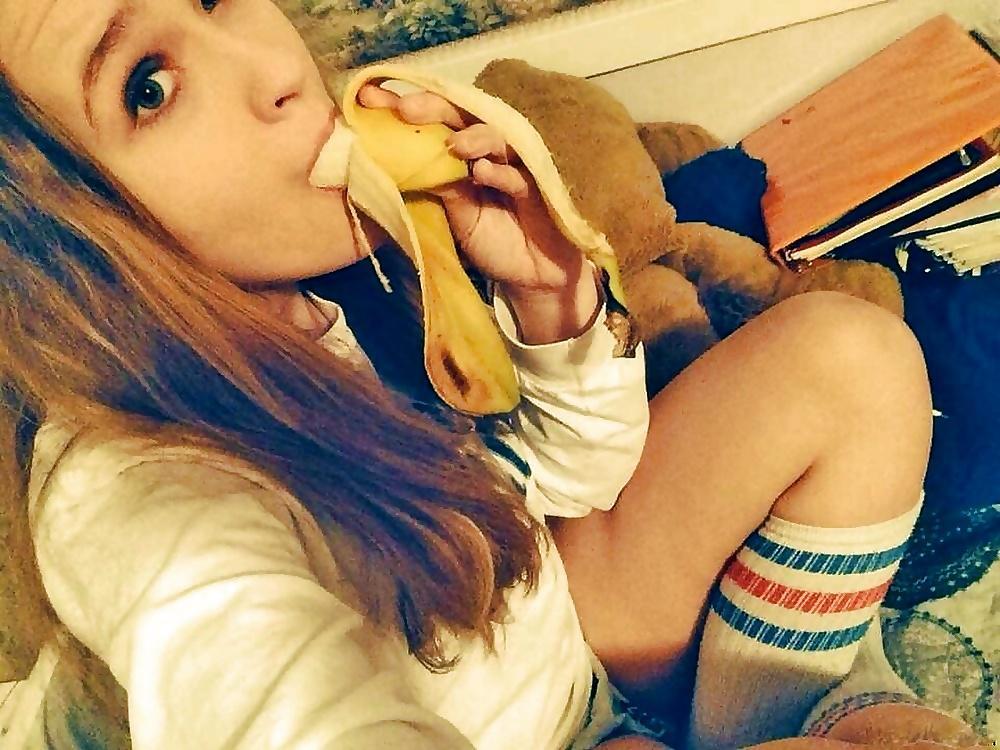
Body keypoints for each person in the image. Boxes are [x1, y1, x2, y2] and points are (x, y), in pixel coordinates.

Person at [0, 1, 978, 748]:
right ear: (55, 250)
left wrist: (554, 301)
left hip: (555, 640)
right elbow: (263, 684)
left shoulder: (334, 282)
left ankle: (765, 713)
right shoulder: (136, 499)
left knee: (853, 355)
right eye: (148, 87)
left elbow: (564, 485)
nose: (276, 71)